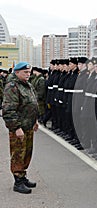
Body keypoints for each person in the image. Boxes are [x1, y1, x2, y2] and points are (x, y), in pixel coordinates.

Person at [2, 62, 39, 194]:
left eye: (29, 72)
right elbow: (8, 110)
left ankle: (22, 177)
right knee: (18, 154)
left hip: (28, 126)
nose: (28, 74)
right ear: (17, 73)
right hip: (19, 128)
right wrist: (16, 128)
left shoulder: (27, 85)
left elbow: (33, 104)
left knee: (27, 153)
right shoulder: (12, 87)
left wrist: (35, 121)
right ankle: (18, 181)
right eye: (25, 72)